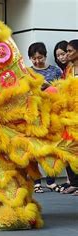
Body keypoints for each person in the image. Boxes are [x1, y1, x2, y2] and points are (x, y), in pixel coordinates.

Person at [27, 42, 63, 193]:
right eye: (33, 58)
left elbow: (62, 89)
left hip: (52, 115)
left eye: (40, 57)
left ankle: (51, 180)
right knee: (34, 148)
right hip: (34, 114)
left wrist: (49, 86)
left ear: (45, 56)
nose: (37, 61)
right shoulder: (27, 72)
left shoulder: (55, 71)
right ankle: (36, 181)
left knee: (52, 148)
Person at [60, 39, 78, 196]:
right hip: (69, 115)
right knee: (66, 148)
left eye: (70, 51)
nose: (67, 54)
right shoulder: (69, 69)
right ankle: (74, 182)